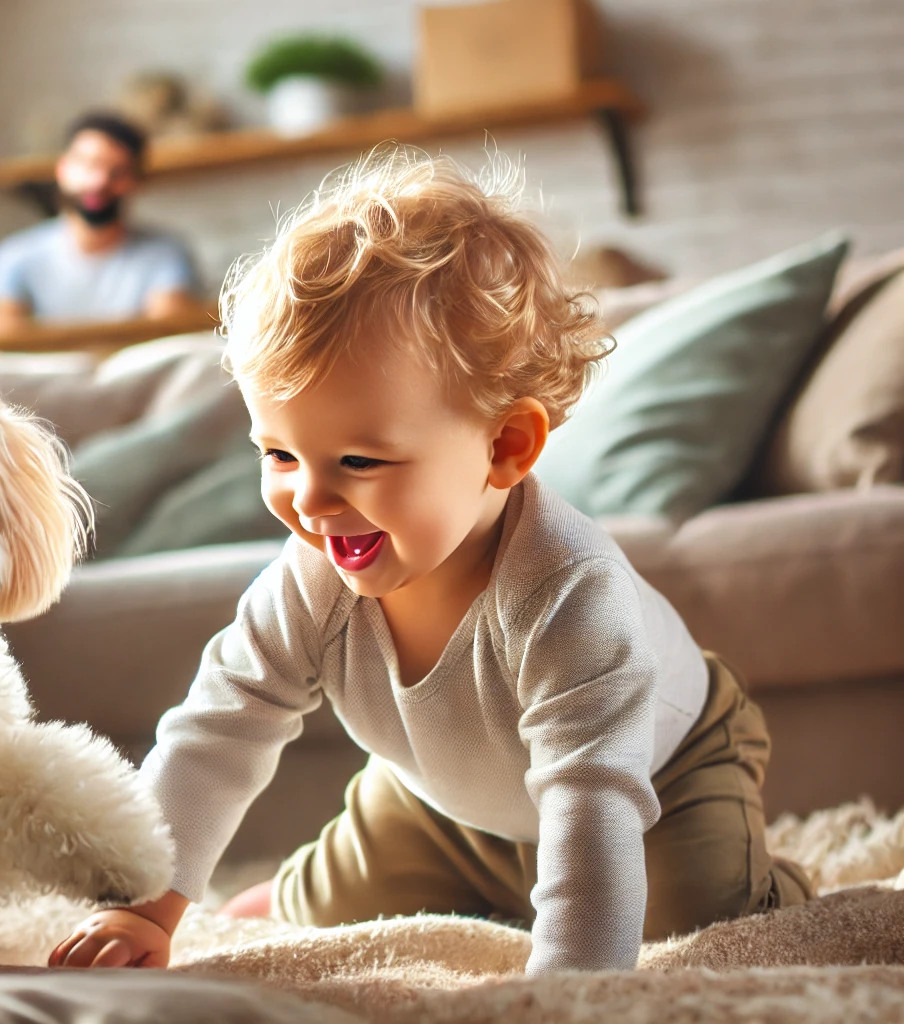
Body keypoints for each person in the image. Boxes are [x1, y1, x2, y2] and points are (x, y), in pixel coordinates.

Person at [50, 150, 813, 974]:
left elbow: (594, 810)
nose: (308, 502)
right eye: (277, 454)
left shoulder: (568, 595)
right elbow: (215, 730)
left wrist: (566, 989)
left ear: (505, 445)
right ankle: (334, 892)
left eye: (360, 462)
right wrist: (144, 909)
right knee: (326, 908)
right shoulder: (309, 582)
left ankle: (780, 885)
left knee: (693, 917)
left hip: (656, 782)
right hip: (439, 803)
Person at [0, 113, 202, 329]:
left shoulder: (165, 253)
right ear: (63, 169)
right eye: (89, 165)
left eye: (117, 172)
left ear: (136, 182)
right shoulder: (15, 255)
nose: (99, 182)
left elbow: (168, 334)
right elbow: (2, 342)